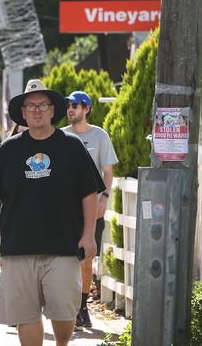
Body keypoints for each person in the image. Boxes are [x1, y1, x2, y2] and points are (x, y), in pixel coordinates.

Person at [0, 79, 104, 346]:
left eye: (42, 105)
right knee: (25, 315)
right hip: (18, 248)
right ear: (22, 113)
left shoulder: (72, 146)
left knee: (64, 310)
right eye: (30, 105)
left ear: (52, 110)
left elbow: (89, 192)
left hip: (64, 246)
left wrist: (89, 234)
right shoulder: (8, 150)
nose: (36, 110)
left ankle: (61, 343)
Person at [61, 91, 118, 329]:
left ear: (87, 109)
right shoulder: (60, 136)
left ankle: (82, 307)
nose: (70, 109)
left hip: (92, 209)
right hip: (64, 210)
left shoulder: (100, 136)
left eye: (75, 105)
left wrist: (104, 198)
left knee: (86, 260)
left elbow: (107, 173)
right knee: (64, 260)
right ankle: (67, 308)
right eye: (68, 105)